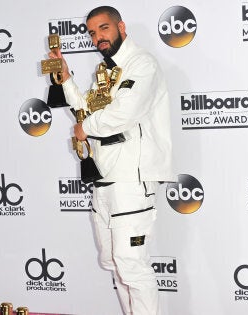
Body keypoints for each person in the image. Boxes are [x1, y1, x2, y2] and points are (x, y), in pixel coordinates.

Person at [48, 5, 173, 315]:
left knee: (131, 264)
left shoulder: (141, 64)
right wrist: (65, 79)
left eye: (104, 28)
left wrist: (84, 128)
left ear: (121, 27)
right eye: (92, 32)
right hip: (104, 176)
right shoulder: (105, 72)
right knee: (114, 262)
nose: (98, 37)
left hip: (132, 177)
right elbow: (87, 110)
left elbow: (123, 115)